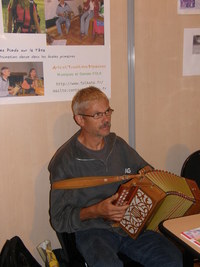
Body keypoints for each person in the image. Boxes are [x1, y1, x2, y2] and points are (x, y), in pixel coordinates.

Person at [48, 87, 183, 267]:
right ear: (80, 119)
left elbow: (148, 173)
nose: (106, 119)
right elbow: (58, 220)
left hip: (130, 225)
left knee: (171, 257)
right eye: (97, 115)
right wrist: (96, 210)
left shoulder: (117, 145)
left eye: (107, 111)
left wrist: (146, 180)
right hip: (93, 230)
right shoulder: (65, 161)